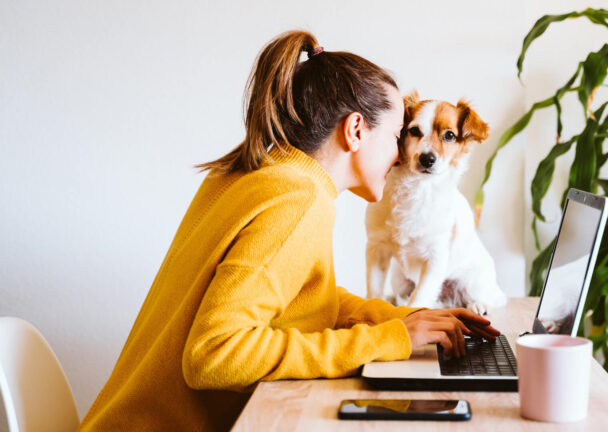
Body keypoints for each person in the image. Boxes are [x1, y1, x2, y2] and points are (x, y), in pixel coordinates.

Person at [77, 30, 500, 431]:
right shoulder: (297, 201)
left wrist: (405, 319)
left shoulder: (258, 173)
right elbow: (214, 355)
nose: (401, 156)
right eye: (396, 137)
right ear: (355, 130)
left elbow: (304, 298)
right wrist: (387, 339)